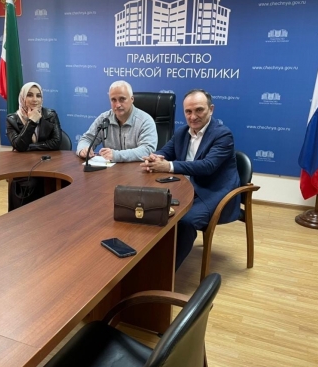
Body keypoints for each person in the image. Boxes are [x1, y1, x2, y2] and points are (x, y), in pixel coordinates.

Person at [140, 89, 240, 270]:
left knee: (185, 221)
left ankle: (166, 274)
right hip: (185, 188)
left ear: (211, 109)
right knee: (153, 208)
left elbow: (207, 166)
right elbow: (166, 152)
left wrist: (168, 166)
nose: (193, 116)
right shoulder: (182, 132)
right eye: (188, 111)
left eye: (199, 110)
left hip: (212, 192)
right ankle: (150, 263)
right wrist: (155, 157)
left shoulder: (223, 135)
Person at [6, 82, 62, 211]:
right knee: (27, 184)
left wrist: (29, 147)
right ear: (23, 98)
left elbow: (56, 142)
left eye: (38, 95)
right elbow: (19, 145)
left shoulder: (50, 115)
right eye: (30, 95)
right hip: (24, 165)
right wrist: (32, 121)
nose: (35, 99)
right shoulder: (12, 119)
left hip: (48, 162)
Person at [76, 80, 157, 162]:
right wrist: (83, 149)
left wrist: (116, 155)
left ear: (132, 99)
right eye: (113, 100)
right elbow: (87, 139)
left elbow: (147, 150)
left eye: (122, 99)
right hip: (110, 169)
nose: (117, 105)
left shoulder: (145, 121)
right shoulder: (104, 119)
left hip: (137, 168)